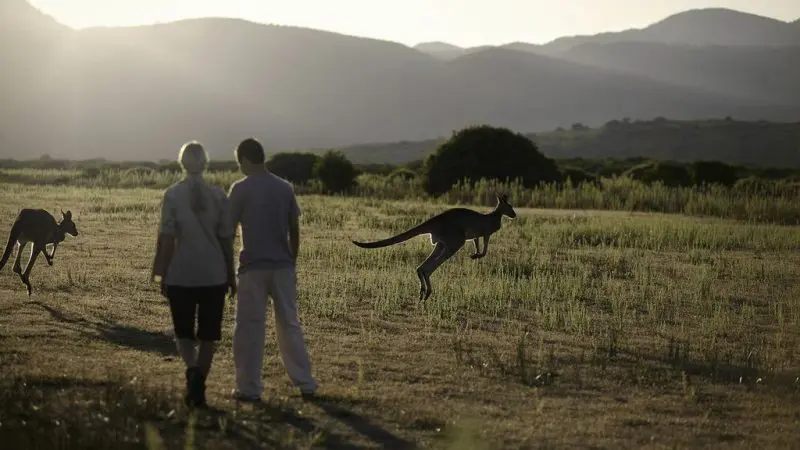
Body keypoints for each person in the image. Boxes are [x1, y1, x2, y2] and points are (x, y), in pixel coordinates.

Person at [227, 137, 317, 402]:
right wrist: (292, 261)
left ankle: (249, 388)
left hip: (252, 267)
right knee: (289, 324)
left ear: (244, 159)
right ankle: (305, 382)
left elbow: (229, 231)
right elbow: (294, 230)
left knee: (249, 328)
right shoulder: (284, 188)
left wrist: (227, 268)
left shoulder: (240, 189)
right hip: (282, 266)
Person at [151, 141, 236, 408]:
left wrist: (161, 273)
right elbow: (226, 240)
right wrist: (231, 275)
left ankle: (192, 373)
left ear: (181, 163)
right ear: (205, 163)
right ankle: (199, 380)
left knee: (184, 334)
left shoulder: (173, 195)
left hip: (181, 274)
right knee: (209, 336)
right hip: (214, 274)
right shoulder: (219, 196)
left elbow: (166, 238)